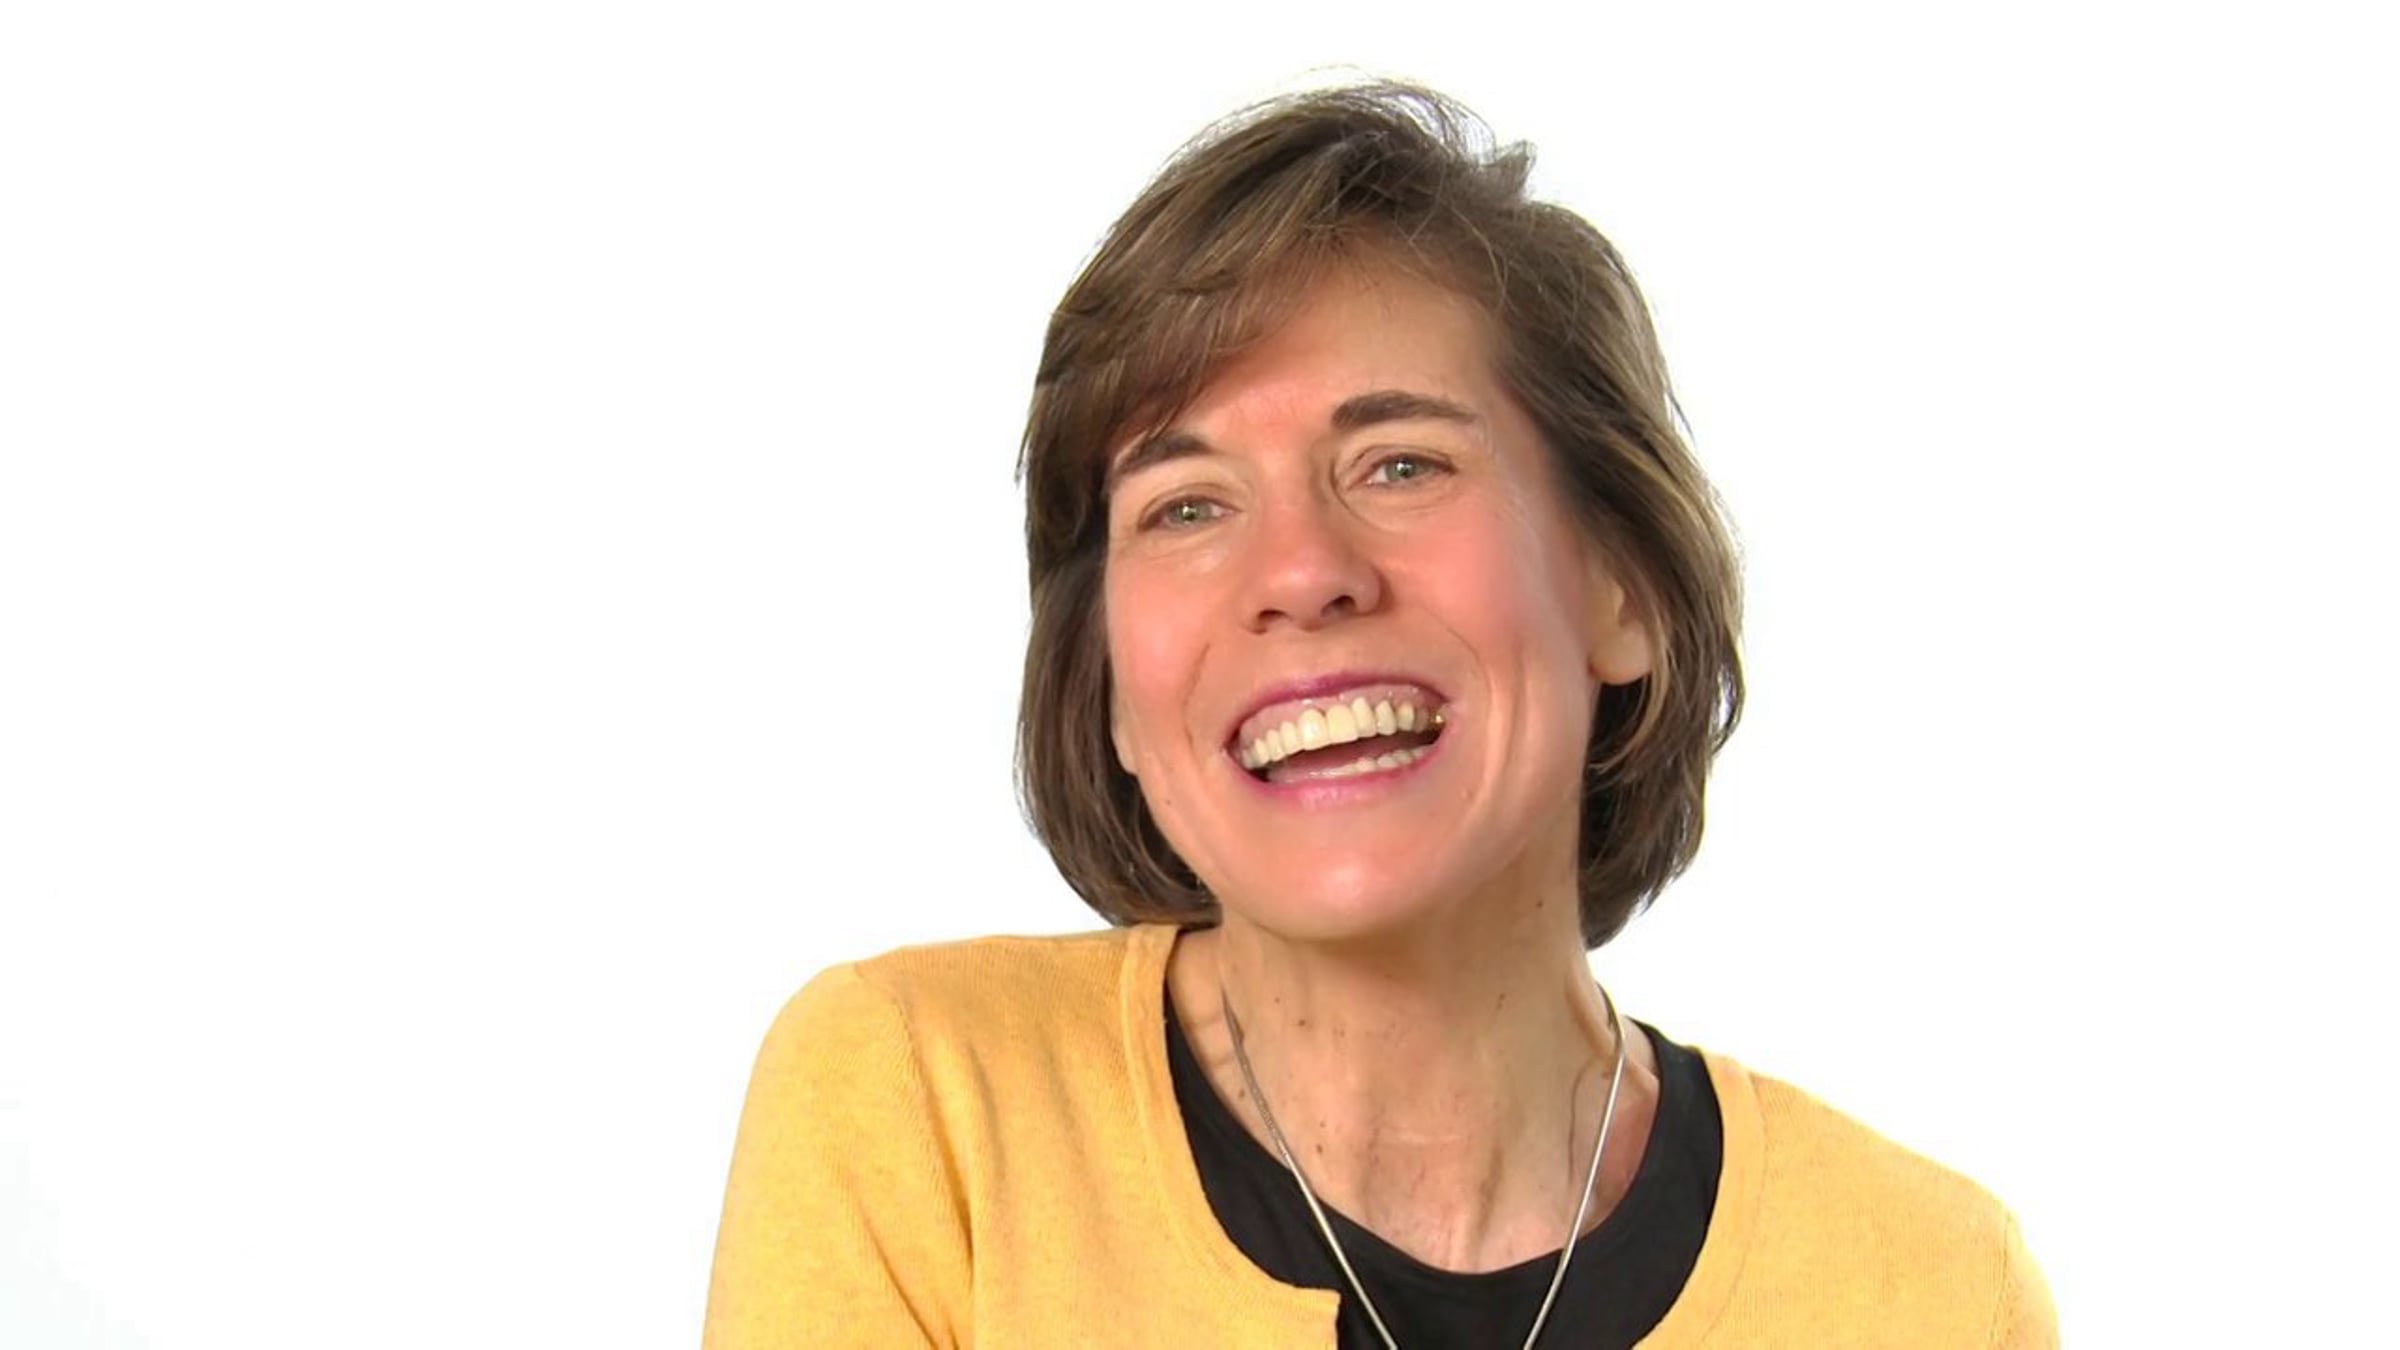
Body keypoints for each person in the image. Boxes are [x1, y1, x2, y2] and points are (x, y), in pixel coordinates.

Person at [704, 82, 2057, 1348]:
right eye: (1186, 505)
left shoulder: (1931, 1288)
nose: (1300, 572)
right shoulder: (920, 1108)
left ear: (1626, 589)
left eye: (1400, 463)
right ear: (1108, 683)